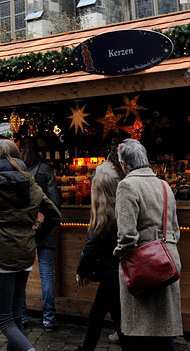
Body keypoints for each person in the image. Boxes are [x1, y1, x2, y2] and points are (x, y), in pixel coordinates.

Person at [0, 140, 61, 351]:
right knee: (15, 317)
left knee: (4, 320)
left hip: (3, 254)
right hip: (25, 253)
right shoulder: (32, 184)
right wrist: (33, 232)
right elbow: (54, 214)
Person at [114, 139, 181, 351]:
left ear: (124, 164)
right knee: (164, 329)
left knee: (140, 331)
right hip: (167, 259)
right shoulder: (164, 185)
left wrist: (119, 252)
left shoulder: (127, 185)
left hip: (142, 264)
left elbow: (127, 235)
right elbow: (175, 229)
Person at [75, 149, 126, 351]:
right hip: (115, 271)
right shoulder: (121, 210)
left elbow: (91, 247)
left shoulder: (103, 216)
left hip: (110, 272)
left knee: (100, 315)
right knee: (107, 315)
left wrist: (81, 271)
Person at [22, 143, 63, 331]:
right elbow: (54, 202)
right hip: (44, 228)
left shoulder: (19, 171)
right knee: (46, 274)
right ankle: (48, 319)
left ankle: (21, 316)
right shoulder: (45, 170)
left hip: (23, 230)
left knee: (21, 274)